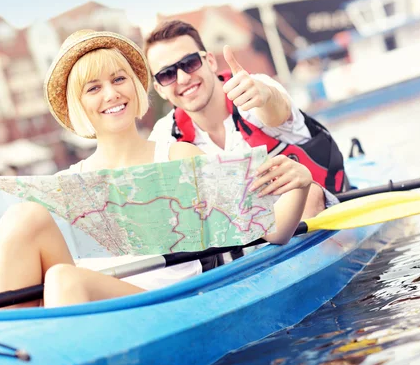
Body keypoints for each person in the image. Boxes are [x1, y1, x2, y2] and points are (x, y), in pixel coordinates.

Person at [0, 30, 313, 308]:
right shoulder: (64, 184)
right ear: (78, 106)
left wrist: (299, 185)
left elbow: (274, 232)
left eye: (118, 79)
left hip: (168, 305)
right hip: (89, 307)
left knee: (66, 280)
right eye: (93, 88)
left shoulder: (179, 157)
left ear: (136, 86)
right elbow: (6, 294)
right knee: (23, 219)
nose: (111, 94)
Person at [144, 20, 346, 219]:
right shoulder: (163, 138)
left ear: (210, 62)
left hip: (324, 210)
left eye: (190, 63)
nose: (183, 78)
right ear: (160, 89)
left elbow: (277, 110)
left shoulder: (255, 88)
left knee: (308, 193)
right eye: (166, 74)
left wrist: (265, 95)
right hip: (250, 239)